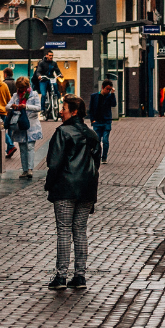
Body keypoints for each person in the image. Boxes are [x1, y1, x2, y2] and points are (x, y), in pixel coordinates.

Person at [46, 95, 101, 290]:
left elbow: (54, 163)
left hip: (65, 186)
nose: (61, 111)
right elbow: (96, 165)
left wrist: (50, 185)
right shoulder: (92, 134)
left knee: (64, 230)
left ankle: (61, 275)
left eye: (64, 108)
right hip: (86, 188)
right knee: (80, 231)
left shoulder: (63, 132)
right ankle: (80, 275)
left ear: (74, 111)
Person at [7, 76, 42, 179]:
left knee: (30, 147)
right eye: (19, 88)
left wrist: (26, 107)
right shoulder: (15, 95)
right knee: (22, 148)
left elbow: (39, 108)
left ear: (27, 87)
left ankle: (30, 169)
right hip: (20, 125)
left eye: (22, 88)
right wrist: (12, 106)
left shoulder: (34, 94)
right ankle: (25, 170)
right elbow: (7, 106)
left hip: (31, 124)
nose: (20, 90)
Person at [88, 80, 117, 162]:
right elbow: (91, 109)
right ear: (102, 87)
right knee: (97, 141)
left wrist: (113, 94)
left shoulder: (110, 96)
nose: (108, 91)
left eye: (110, 89)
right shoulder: (94, 96)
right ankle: (97, 156)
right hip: (97, 122)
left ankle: (104, 157)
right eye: (107, 89)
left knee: (105, 140)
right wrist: (92, 120)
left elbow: (114, 104)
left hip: (106, 121)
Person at [35, 50, 62, 115]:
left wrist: (60, 74)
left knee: (55, 87)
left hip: (51, 79)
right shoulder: (42, 63)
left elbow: (57, 71)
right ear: (46, 55)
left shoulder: (54, 63)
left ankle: (57, 98)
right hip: (43, 80)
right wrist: (39, 76)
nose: (51, 57)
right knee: (43, 94)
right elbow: (38, 71)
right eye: (50, 55)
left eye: (52, 55)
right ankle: (42, 110)